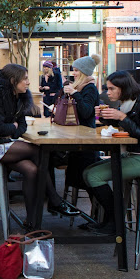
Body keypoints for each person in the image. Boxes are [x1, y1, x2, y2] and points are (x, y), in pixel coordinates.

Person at [0, 64, 79, 231]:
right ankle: (54, 200)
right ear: (13, 80)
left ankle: (32, 221)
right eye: (25, 78)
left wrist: (9, 130)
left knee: (32, 170)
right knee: (38, 151)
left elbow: (21, 126)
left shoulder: (19, 97)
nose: (28, 82)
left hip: (2, 144)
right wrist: (8, 129)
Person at [86, 71, 140, 234]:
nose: (108, 92)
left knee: (93, 176)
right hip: (133, 154)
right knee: (87, 172)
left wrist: (121, 117)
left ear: (123, 88)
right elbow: (127, 126)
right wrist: (107, 117)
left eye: (112, 89)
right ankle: (109, 220)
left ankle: (115, 222)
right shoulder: (130, 102)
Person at [58, 54, 101, 189]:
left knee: (82, 179)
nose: (74, 73)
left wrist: (75, 93)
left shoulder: (90, 89)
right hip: (78, 138)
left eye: (76, 70)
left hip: (86, 141)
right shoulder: (81, 87)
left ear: (84, 72)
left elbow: (86, 112)